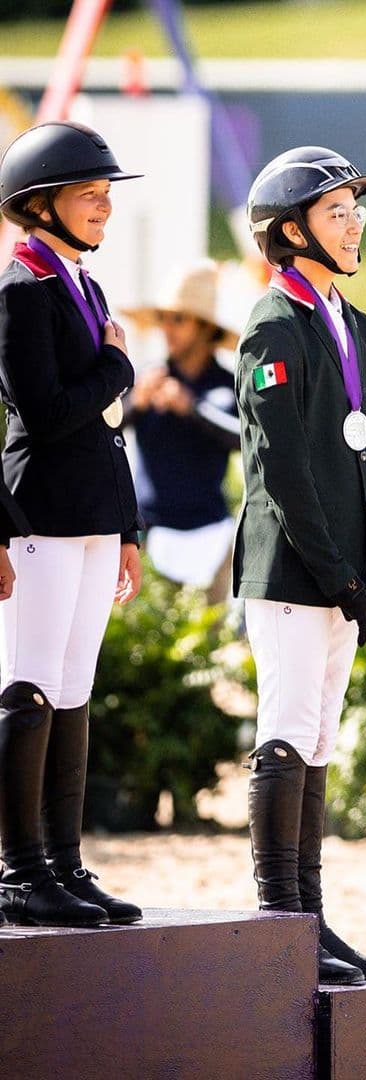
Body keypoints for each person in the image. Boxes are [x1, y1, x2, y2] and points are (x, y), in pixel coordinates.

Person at [236, 146, 366, 985]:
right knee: (288, 730)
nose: (354, 224)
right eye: (336, 213)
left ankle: (311, 919)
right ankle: (280, 923)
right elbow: (283, 468)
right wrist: (339, 574)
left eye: (355, 211)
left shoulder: (355, 323)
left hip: (341, 572)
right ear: (292, 232)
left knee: (319, 739)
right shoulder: (273, 325)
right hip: (292, 572)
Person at [0, 120, 143, 928]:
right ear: (39, 204)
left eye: (104, 195)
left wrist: (127, 529)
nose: (103, 207)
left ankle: (64, 862)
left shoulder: (84, 285)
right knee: (28, 688)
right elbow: (48, 412)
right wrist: (118, 365)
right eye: (89, 195)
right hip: (42, 514)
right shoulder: (21, 289)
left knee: (74, 691)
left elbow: (106, 429)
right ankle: (18, 870)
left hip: (92, 516)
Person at [123, 259, 241, 602]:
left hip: (212, 537)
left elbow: (244, 438)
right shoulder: (146, 378)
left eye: (178, 319)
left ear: (204, 327)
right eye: (163, 318)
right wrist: (136, 403)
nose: (167, 328)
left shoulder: (226, 385)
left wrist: (192, 408)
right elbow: (104, 428)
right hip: (148, 535)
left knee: (212, 632)